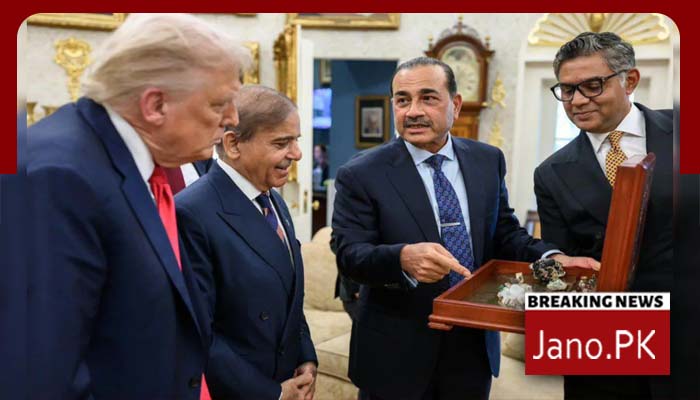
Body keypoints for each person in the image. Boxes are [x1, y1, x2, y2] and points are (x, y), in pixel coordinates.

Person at [332, 56, 598, 400]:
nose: (413, 111)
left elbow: (505, 233)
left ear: (455, 105)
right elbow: (350, 255)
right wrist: (402, 258)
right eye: (402, 100)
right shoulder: (360, 173)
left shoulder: (487, 160)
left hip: (472, 346)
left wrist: (552, 258)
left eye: (428, 98)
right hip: (396, 353)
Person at [15, 13, 247, 399]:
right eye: (219, 104)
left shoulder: (129, 164)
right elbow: (43, 374)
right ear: (155, 105)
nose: (232, 120)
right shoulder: (59, 177)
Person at [534, 31, 672, 400]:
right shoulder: (550, 173)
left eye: (592, 85)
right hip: (604, 345)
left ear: (630, 80)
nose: (577, 101)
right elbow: (563, 269)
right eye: (567, 90)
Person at [176, 85, 318, 400]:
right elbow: (199, 333)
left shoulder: (274, 200)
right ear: (233, 144)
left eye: (296, 140)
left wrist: (306, 357)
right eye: (281, 143)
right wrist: (272, 393)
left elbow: (289, 297)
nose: (297, 154)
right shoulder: (191, 213)